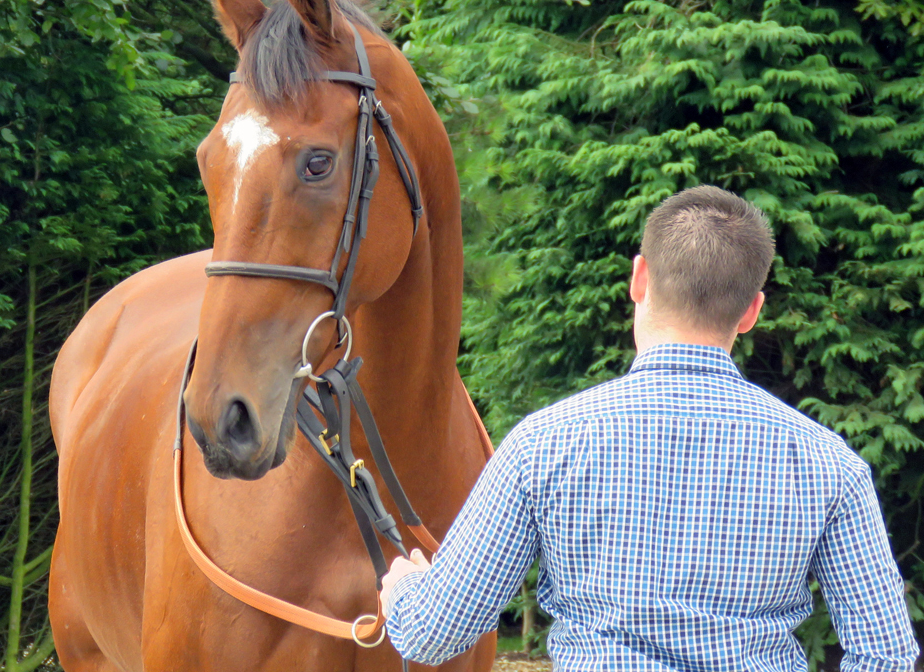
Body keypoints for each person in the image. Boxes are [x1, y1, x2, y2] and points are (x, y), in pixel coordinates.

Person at [380, 186, 919, 671]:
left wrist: (404, 589)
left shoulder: (544, 443)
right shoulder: (830, 464)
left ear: (640, 278)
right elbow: (887, 655)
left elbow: (432, 634)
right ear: (752, 310)